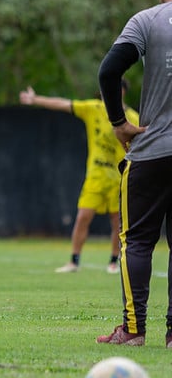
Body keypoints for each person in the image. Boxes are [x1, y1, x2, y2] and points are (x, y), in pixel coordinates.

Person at [96, 0, 172, 346]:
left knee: (138, 241)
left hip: (153, 149)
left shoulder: (146, 20)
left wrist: (119, 123)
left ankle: (133, 329)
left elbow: (109, 70)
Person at [19, 82, 139, 274]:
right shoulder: (94, 108)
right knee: (83, 216)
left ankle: (113, 261)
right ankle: (74, 261)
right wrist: (35, 99)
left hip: (119, 177)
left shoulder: (132, 118)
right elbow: (63, 104)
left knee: (117, 222)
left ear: (122, 92)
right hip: (96, 175)